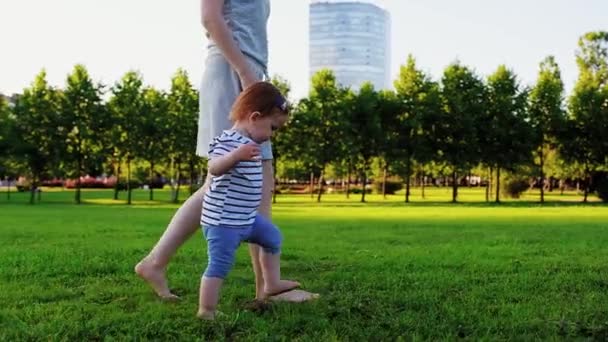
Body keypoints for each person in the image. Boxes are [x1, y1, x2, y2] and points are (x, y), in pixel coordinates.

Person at [135, 0, 313, 302]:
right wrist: (245, 73)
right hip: (234, 72)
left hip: (248, 73)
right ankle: (266, 289)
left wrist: (253, 74)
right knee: (250, 181)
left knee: (241, 184)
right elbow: (210, 17)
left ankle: (155, 263)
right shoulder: (240, 73)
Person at [198, 82, 301, 320]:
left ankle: (272, 283)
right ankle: (206, 310)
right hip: (222, 222)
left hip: (246, 218)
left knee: (273, 237)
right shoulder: (227, 141)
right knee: (219, 265)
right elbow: (213, 168)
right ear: (255, 117)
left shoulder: (253, 144)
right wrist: (235, 156)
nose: (272, 136)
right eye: (272, 128)